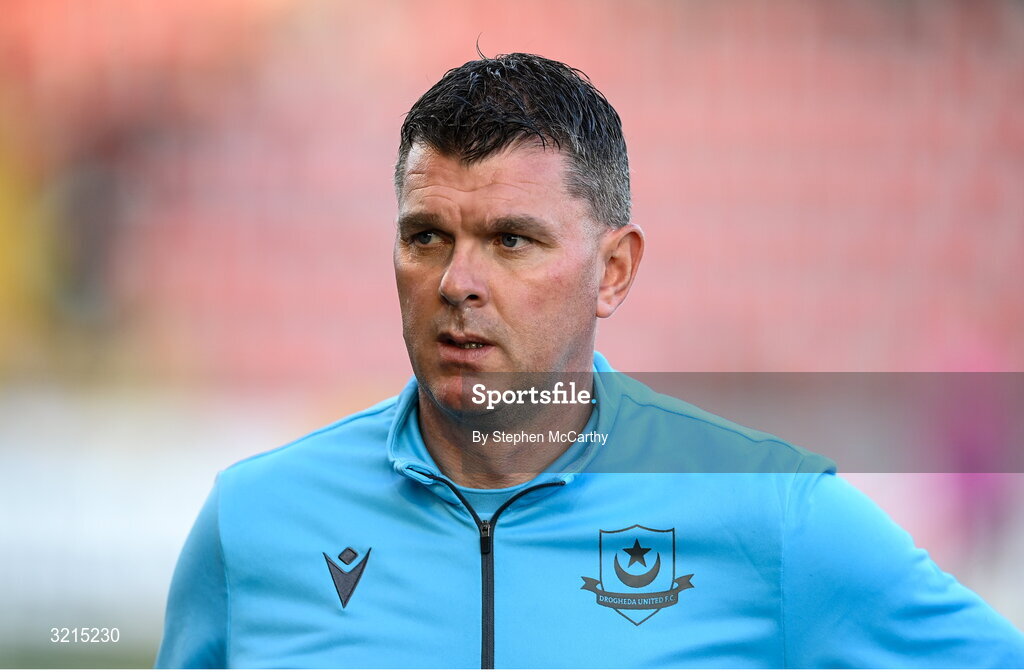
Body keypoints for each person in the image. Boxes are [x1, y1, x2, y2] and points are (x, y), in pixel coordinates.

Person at [156, 52, 1024, 668]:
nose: (458, 281)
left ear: (613, 271)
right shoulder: (255, 522)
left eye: (511, 241)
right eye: (427, 237)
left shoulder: (771, 516)